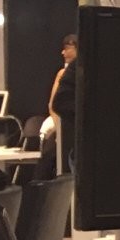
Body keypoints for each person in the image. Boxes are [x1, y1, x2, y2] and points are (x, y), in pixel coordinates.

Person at [44, 32, 76, 175]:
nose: (63, 52)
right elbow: (54, 104)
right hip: (62, 124)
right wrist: (59, 129)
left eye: (67, 48)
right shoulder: (63, 74)